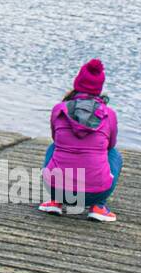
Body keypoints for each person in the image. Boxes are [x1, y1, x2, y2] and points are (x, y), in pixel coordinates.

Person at [38, 59, 122, 223]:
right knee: (113, 153)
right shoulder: (108, 114)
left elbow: (56, 138)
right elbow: (110, 145)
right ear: (99, 88)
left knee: (55, 146)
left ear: (77, 83)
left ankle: (56, 201)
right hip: (95, 192)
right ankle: (98, 206)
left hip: (56, 188)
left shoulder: (59, 109)